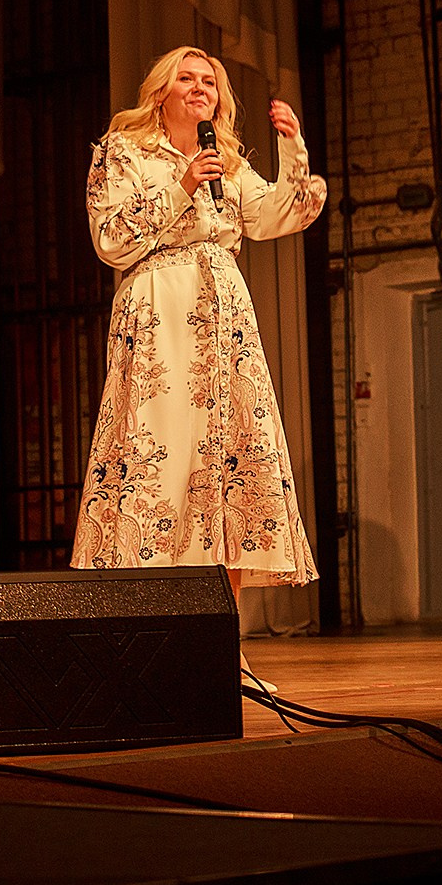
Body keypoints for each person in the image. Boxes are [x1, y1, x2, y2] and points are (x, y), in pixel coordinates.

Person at [72, 46, 328, 690]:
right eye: (185, 79)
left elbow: (280, 215)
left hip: (224, 321)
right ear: (160, 92)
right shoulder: (123, 152)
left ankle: (224, 654)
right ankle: (147, 652)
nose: (199, 88)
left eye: (208, 81)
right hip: (160, 316)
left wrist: (292, 149)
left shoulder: (228, 162)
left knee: (229, 475)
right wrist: (181, 183)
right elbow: (111, 240)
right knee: (158, 472)